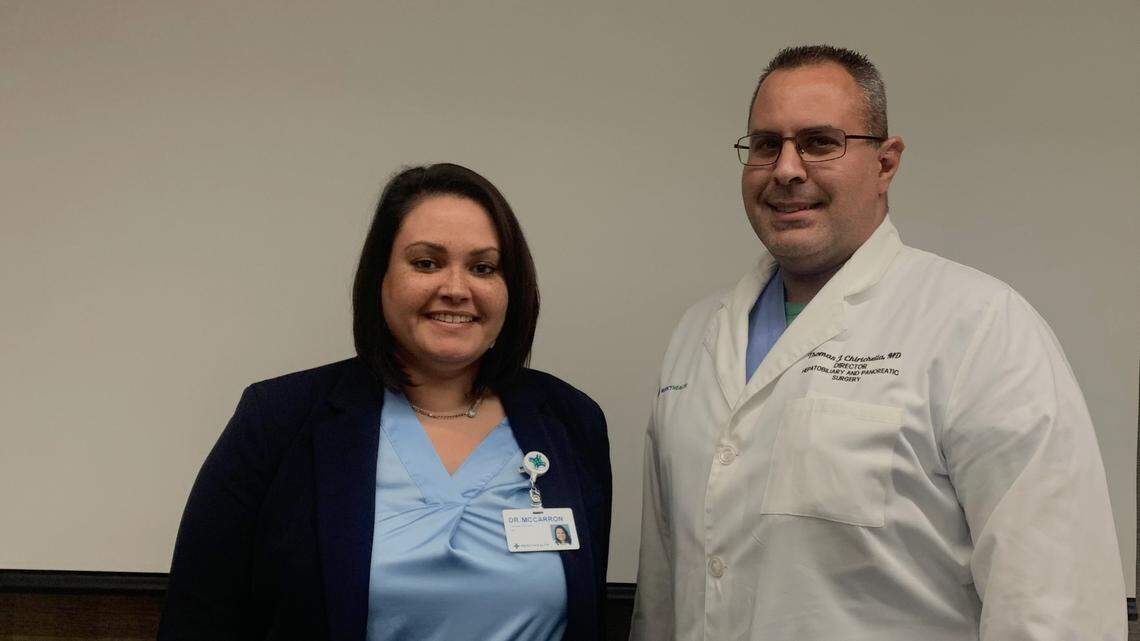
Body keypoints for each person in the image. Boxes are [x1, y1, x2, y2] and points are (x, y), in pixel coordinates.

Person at [629, 45, 1125, 640]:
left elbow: (1054, 604)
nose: (786, 169)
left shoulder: (980, 327)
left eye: (819, 142)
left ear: (886, 163)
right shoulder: (696, 335)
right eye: (766, 145)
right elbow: (664, 586)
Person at [159, 163, 612, 641]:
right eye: (426, 263)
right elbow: (198, 616)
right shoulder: (280, 417)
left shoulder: (570, 421)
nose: (456, 289)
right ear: (381, 277)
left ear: (511, 288)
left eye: (483, 267)